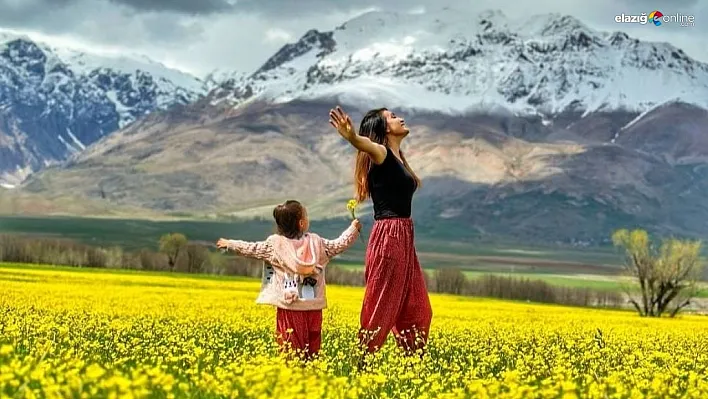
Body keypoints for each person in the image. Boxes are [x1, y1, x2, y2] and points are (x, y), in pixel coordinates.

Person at [328, 106, 433, 356]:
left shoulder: (398, 158)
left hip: (404, 237)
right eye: (393, 117)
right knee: (381, 305)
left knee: (419, 310)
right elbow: (364, 144)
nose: (400, 118)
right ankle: (363, 361)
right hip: (389, 236)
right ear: (385, 128)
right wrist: (351, 137)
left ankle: (412, 367)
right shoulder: (382, 153)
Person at [216, 200, 361, 360]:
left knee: (290, 350)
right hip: (314, 307)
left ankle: (293, 379)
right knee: (312, 349)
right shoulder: (317, 244)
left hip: (289, 307)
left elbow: (252, 249)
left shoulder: (274, 245)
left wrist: (230, 244)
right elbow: (339, 244)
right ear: (301, 223)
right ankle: (311, 376)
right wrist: (353, 229)